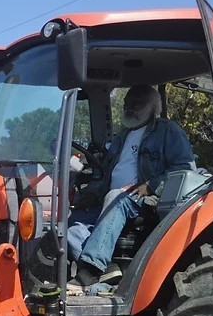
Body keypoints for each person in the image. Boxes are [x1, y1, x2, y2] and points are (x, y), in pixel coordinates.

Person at [66, 84, 194, 293]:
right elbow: (106, 174)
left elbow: (185, 167)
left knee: (116, 196)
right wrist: (91, 193)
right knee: (70, 223)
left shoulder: (167, 131)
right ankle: (108, 268)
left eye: (136, 103)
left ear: (153, 107)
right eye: (127, 103)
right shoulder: (121, 137)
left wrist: (151, 185)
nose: (129, 107)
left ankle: (89, 271)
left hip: (146, 200)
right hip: (112, 200)